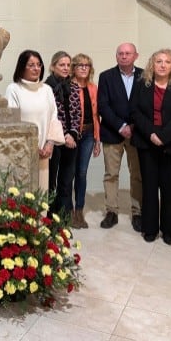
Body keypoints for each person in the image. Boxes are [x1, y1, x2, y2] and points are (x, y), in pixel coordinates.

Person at [130, 49, 171, 245]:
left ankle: (169, 230)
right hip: (146, 142)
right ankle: (150, 228)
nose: (163, 65)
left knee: (168, 187)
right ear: (152, 64)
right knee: (149, 186)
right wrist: (151, 134)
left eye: (167, 62)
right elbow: (135, 111)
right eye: (159, 61)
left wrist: (163, 136)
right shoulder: (141, 84)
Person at [98, 43, 143, 231]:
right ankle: (112, 212)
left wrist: (133, 125)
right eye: (121, 53)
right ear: (116, 56)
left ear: (136, 56)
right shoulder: (106, 76)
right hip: (112, 132)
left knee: (138, 175)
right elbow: (103, 105)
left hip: (137, 133)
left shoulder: (145, 76)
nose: (124, 56)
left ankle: (138, 213)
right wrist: (121, 126)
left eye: (128, 53)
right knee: (111, 175)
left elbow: (145, 104)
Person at [6, 50, 64, 193]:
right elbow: (11, 122)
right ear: (22, 67)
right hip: (21, 152)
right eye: (31, 65)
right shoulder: (14, 89)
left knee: (41, 193)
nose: (36, 68)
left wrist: (50, 144)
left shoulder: (46, 89)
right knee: (22, 194)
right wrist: (30, 146)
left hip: (44, 152)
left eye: (38, 65)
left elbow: (54, 117)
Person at [45, 51, 81, 217]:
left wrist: (72, 134)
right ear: (53, 66)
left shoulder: (73, 86)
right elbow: (52, 116)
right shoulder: (46, 88)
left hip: (71, 139)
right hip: (54, 139)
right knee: (51, 180)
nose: (66, 68)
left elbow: (76, 113)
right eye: (62, 65)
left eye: (68, 65)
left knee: (66, 180)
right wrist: (62, 135)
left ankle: (64, 217)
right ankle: (50, 217)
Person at [70, 53, 100, 229]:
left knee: (82, 172)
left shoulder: (93, 88)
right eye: (80, 65)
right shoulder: (68, 87)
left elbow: (97, 115)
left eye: (86, 65)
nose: (83, 67)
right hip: (73, 135)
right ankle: (69, 210)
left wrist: (97, 139)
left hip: (89, 134)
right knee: (70, 173)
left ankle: (79, 210)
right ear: (74, 68)